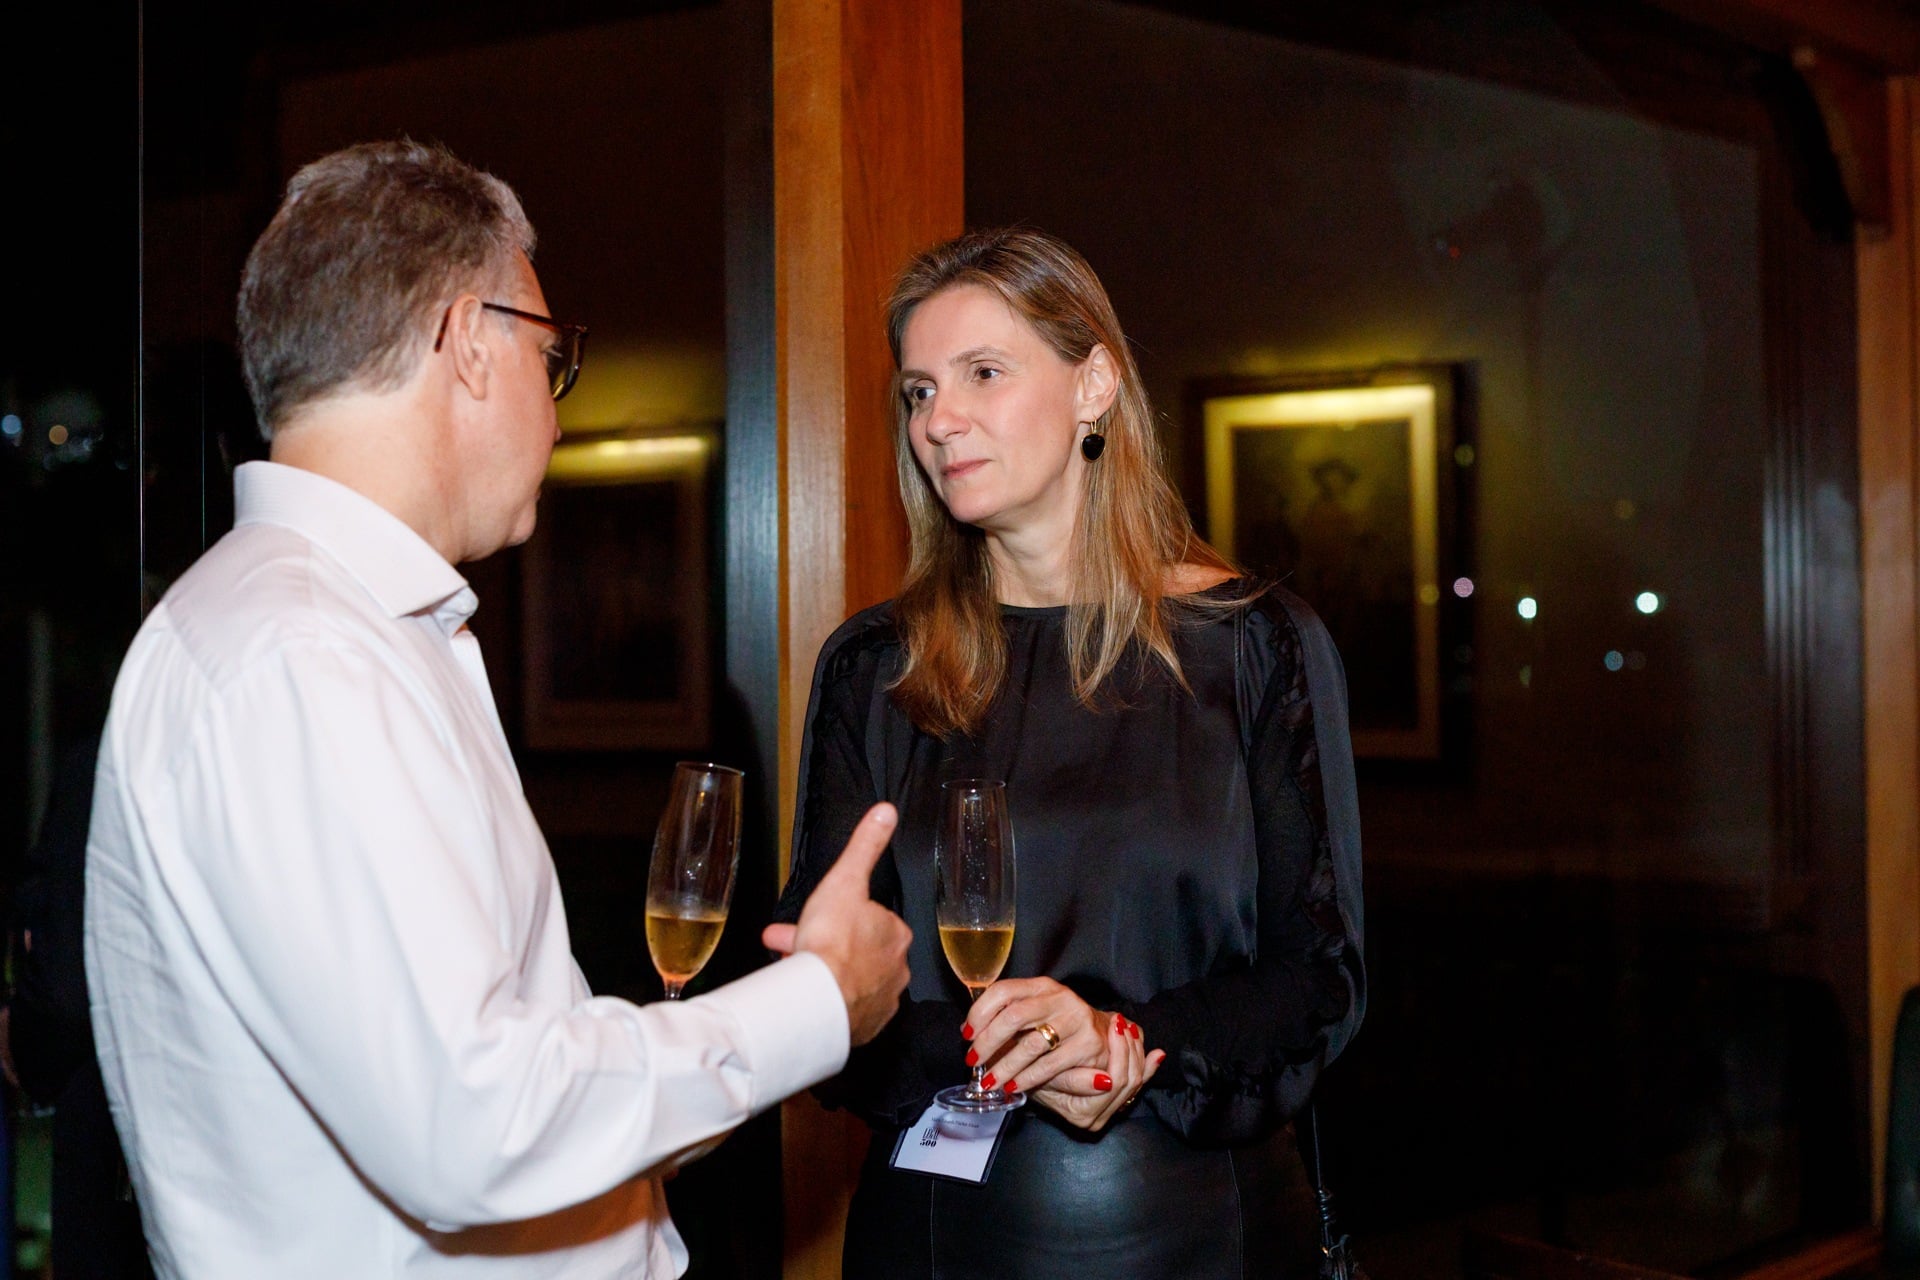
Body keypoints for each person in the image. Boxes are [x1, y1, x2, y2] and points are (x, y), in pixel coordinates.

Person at [84, 139, 911, 1279]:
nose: (558, 415)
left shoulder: (344, 631)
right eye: (550, 357)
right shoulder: (301, 654)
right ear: (470, 340)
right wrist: (819, 1002)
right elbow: (480, 1124)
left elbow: (505, 1081)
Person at [774, 228, 1366, 1278]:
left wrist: (1121, 1038)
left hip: (1197, 1235)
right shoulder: (876, 666)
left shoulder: (1254, 647)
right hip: (931, 1239)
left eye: (983, 373)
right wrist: (993, 1040)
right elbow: (828, 1001)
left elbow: (1318, 981)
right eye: (918, 391)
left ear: (1093, 385)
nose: (938, 419)